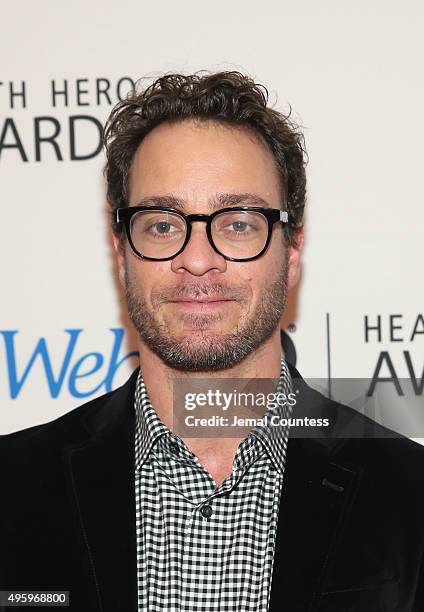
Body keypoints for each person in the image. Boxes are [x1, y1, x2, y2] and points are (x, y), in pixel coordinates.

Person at [1, 71, 423, 612]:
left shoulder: (411, 500)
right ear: (121, 251)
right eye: (161, 224)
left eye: (238, 224)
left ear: (291, 249)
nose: (197, 260)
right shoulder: (12, 492)